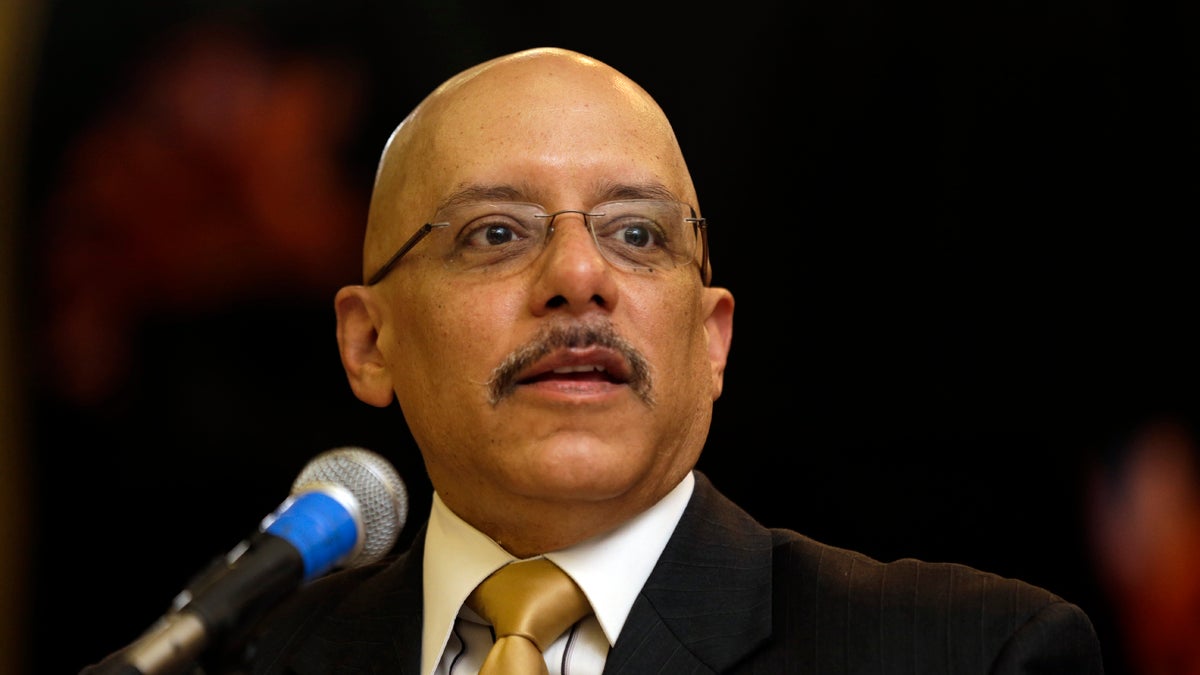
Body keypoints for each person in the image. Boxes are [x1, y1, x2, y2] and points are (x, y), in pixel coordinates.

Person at [84, 46, 1105, 674]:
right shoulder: (241, 661)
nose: (578, 275)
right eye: (493, 234)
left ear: (711, 342)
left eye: (639, 236)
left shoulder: (970, 655)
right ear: (368, 342)